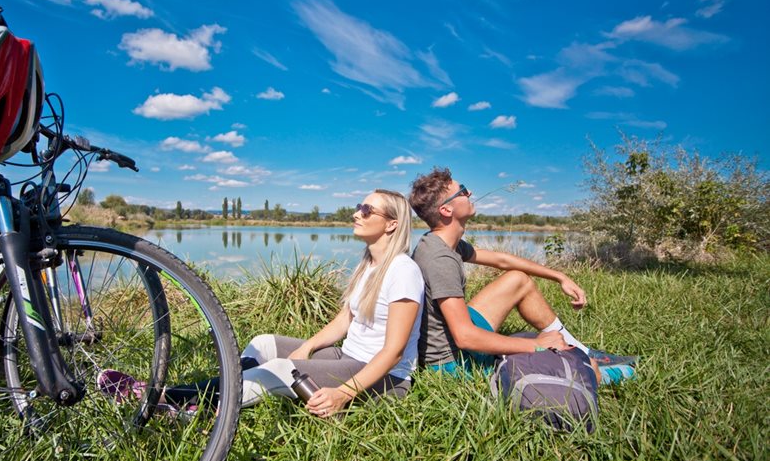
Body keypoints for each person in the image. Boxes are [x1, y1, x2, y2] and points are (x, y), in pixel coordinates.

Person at [99, 189, 425, 418]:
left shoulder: (403, 271)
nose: (356, 213)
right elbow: (344, 322)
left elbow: (393, 352)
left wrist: (343, 393)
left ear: (392, 223)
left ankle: (165, 397)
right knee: (264, 344)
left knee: (279, 370)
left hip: (386, 380)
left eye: (367, 210)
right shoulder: (368, 264)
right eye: (359, 205)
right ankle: (215, 399)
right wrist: (308, 347)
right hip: (349, 356)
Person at [407, 167, 635, 383]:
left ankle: (579, 349)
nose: (470, 193)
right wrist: (536, 345)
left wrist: (559, 276)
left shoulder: (443, 243)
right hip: (452, 363)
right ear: (446, 210)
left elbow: (501, 260)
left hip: (455, 337)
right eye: (463, 190)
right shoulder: (440, 259)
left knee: (517, 279)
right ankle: (596, 372)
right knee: (591, 371)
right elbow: (465, 337)